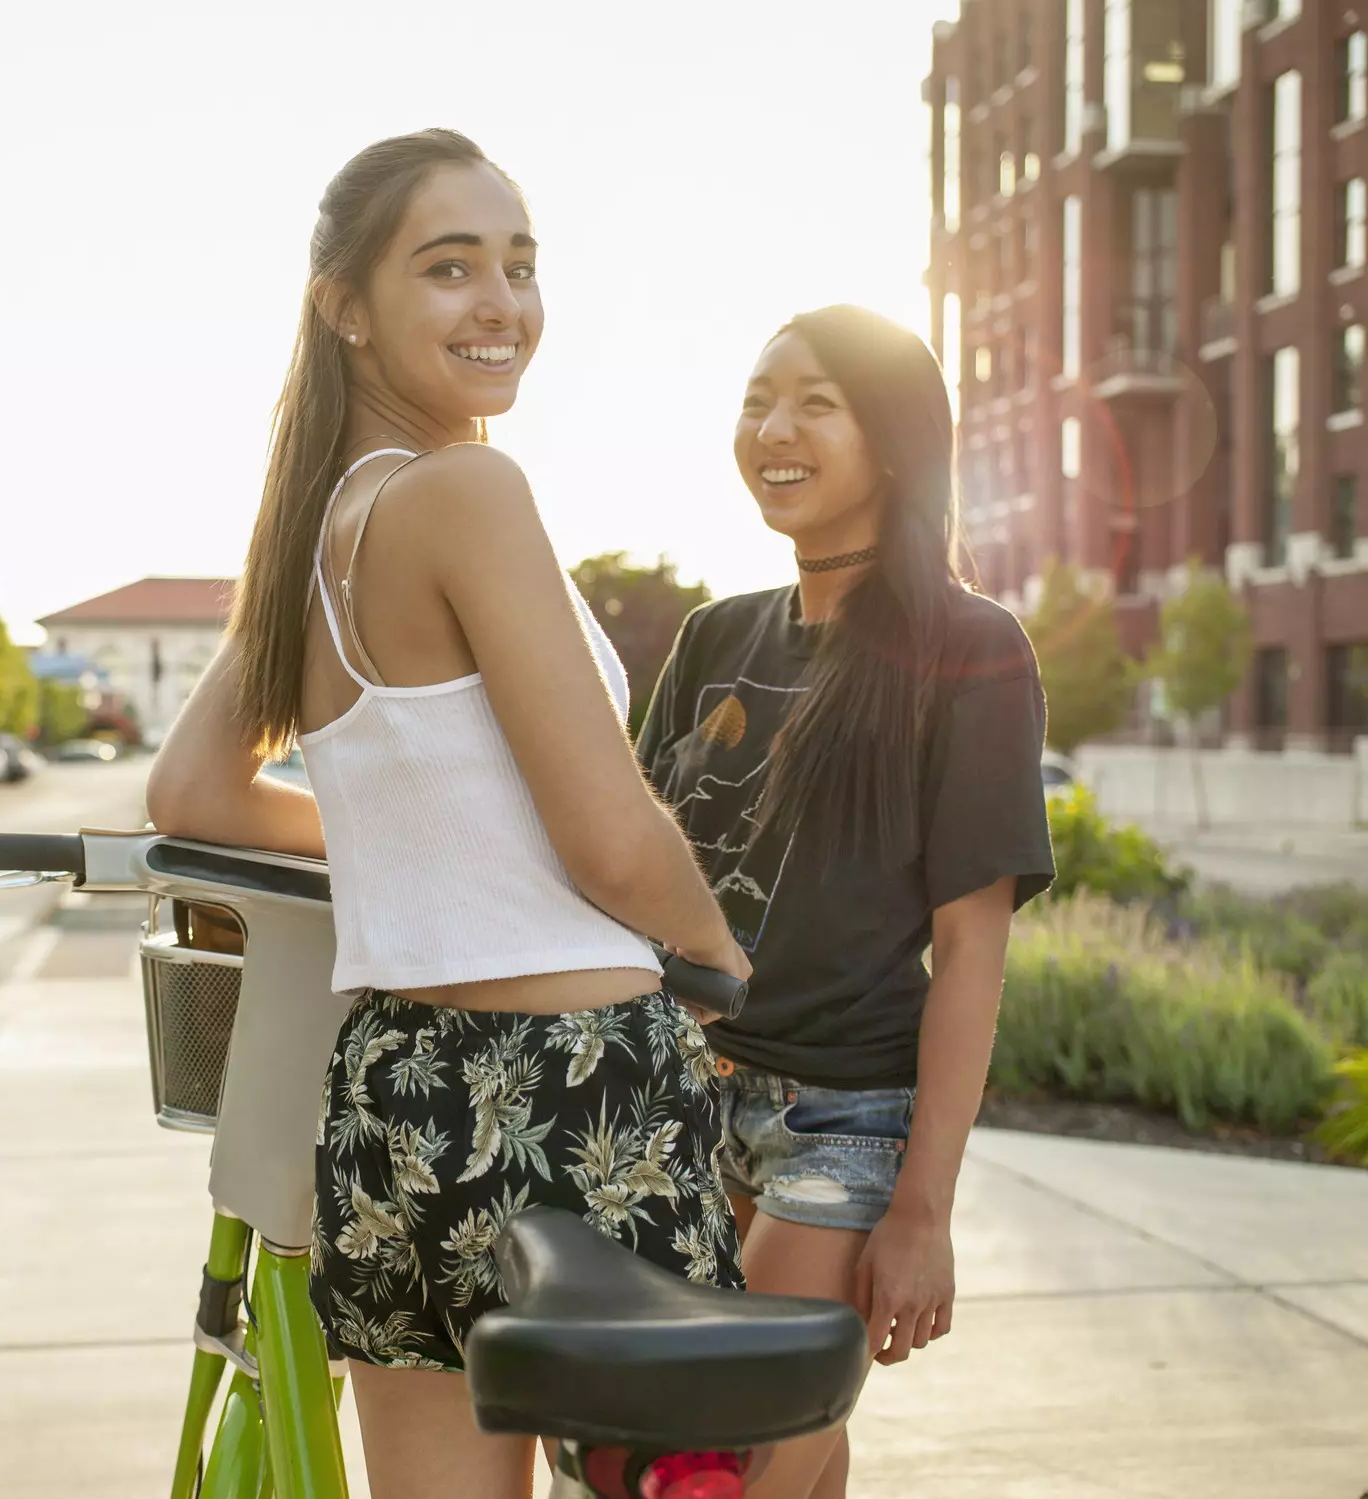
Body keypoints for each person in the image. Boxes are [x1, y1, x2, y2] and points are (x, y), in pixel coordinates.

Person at [146, 128, 751, 1499]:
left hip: (390, 1099)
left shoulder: (309, 534)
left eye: (522, 265)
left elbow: (192, 791)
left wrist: (391, 848)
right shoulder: (467, 489)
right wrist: (732, 971)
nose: (503, 303)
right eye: (451, 266)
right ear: (346, 305)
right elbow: (612, 835)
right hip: (575, 1086)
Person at [635, 305, 1055, 1499]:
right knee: (787, 1465)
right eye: (758, 398)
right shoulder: (714, 636)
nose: (772, 428)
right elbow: (634, 860)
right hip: (685, 1102)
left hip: (843, 1120)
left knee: (713, 1462)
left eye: (814, 402)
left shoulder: (967, 648)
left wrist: (921, 1206)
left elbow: (972, 948)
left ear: (892, 442)